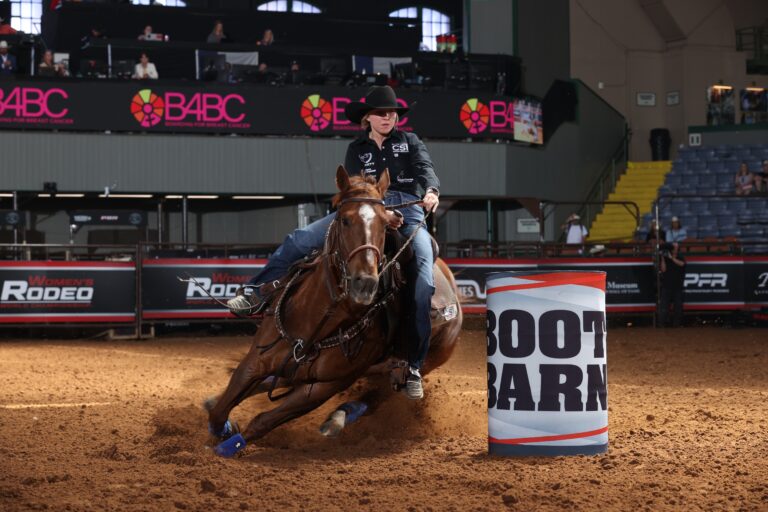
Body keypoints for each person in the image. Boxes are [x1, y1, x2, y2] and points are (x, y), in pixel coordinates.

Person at [227, 86, 439, 400]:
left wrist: (431, 190)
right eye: (381, 113)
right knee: (298, 240)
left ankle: (413, 366)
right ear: (368, 117)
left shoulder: (410, 142)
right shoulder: (357, 149)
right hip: (363, 207)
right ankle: (257, 292)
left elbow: (426, 170)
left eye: (392, 113)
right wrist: (379, 211)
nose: (388, 117)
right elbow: (353, 185)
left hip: (408, 209)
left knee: (423, 280)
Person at [658, 242, 686, 327]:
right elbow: (663, 269)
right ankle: (662, 323)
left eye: (675, 247)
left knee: (678, 307)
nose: (674, 249)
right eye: (673, 247)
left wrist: (671, 258)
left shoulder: (680, 257)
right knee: (664, 307)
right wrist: (662, 258)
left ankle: (676, 324)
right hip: (667, 285)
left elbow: (682, 264)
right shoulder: (666, 257)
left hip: (677, 286)